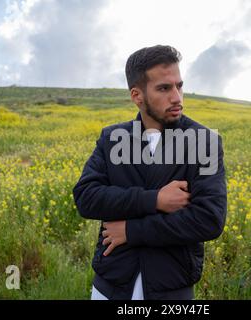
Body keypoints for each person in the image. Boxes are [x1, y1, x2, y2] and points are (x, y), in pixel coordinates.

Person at [73, 45, 227, 300]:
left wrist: (131, 231)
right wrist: (155, 200)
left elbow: (209, 219)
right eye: (164, 88)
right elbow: (86, 198)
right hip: (110, 285)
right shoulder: (112, 138)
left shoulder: (204, 141)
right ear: (137, 95)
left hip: (171, 289)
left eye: (179, 86)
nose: (177, 97)